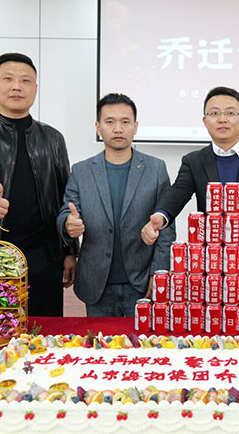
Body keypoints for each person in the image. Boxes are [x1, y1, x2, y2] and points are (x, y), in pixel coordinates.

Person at [0, 52, 77, 316]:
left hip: (45, 253)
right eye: (8, 79)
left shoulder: (52, 138)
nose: (17, 86)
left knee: (45, 329)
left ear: (35, 88)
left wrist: (70, 251)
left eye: (25, 80)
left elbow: (65, 196)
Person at [56, 93, 175, 317]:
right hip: (96, 283)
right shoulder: (81, 171)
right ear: (98, 127)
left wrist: (159, 274)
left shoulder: (156, 169)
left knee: (141, 340)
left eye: (125, 122)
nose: (118, 129)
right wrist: (67, 224)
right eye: (110, 122)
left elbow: (166, 229)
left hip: (141, 281)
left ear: (135, 127)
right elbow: (66, 212)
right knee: (99, 340)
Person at [141, 86, 239, 245]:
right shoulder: (194, 161)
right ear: (205, 121)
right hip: (210, 254)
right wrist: (160, 216)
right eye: (214, 113)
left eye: (230, 113)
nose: (222, 119)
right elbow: (178, 193)